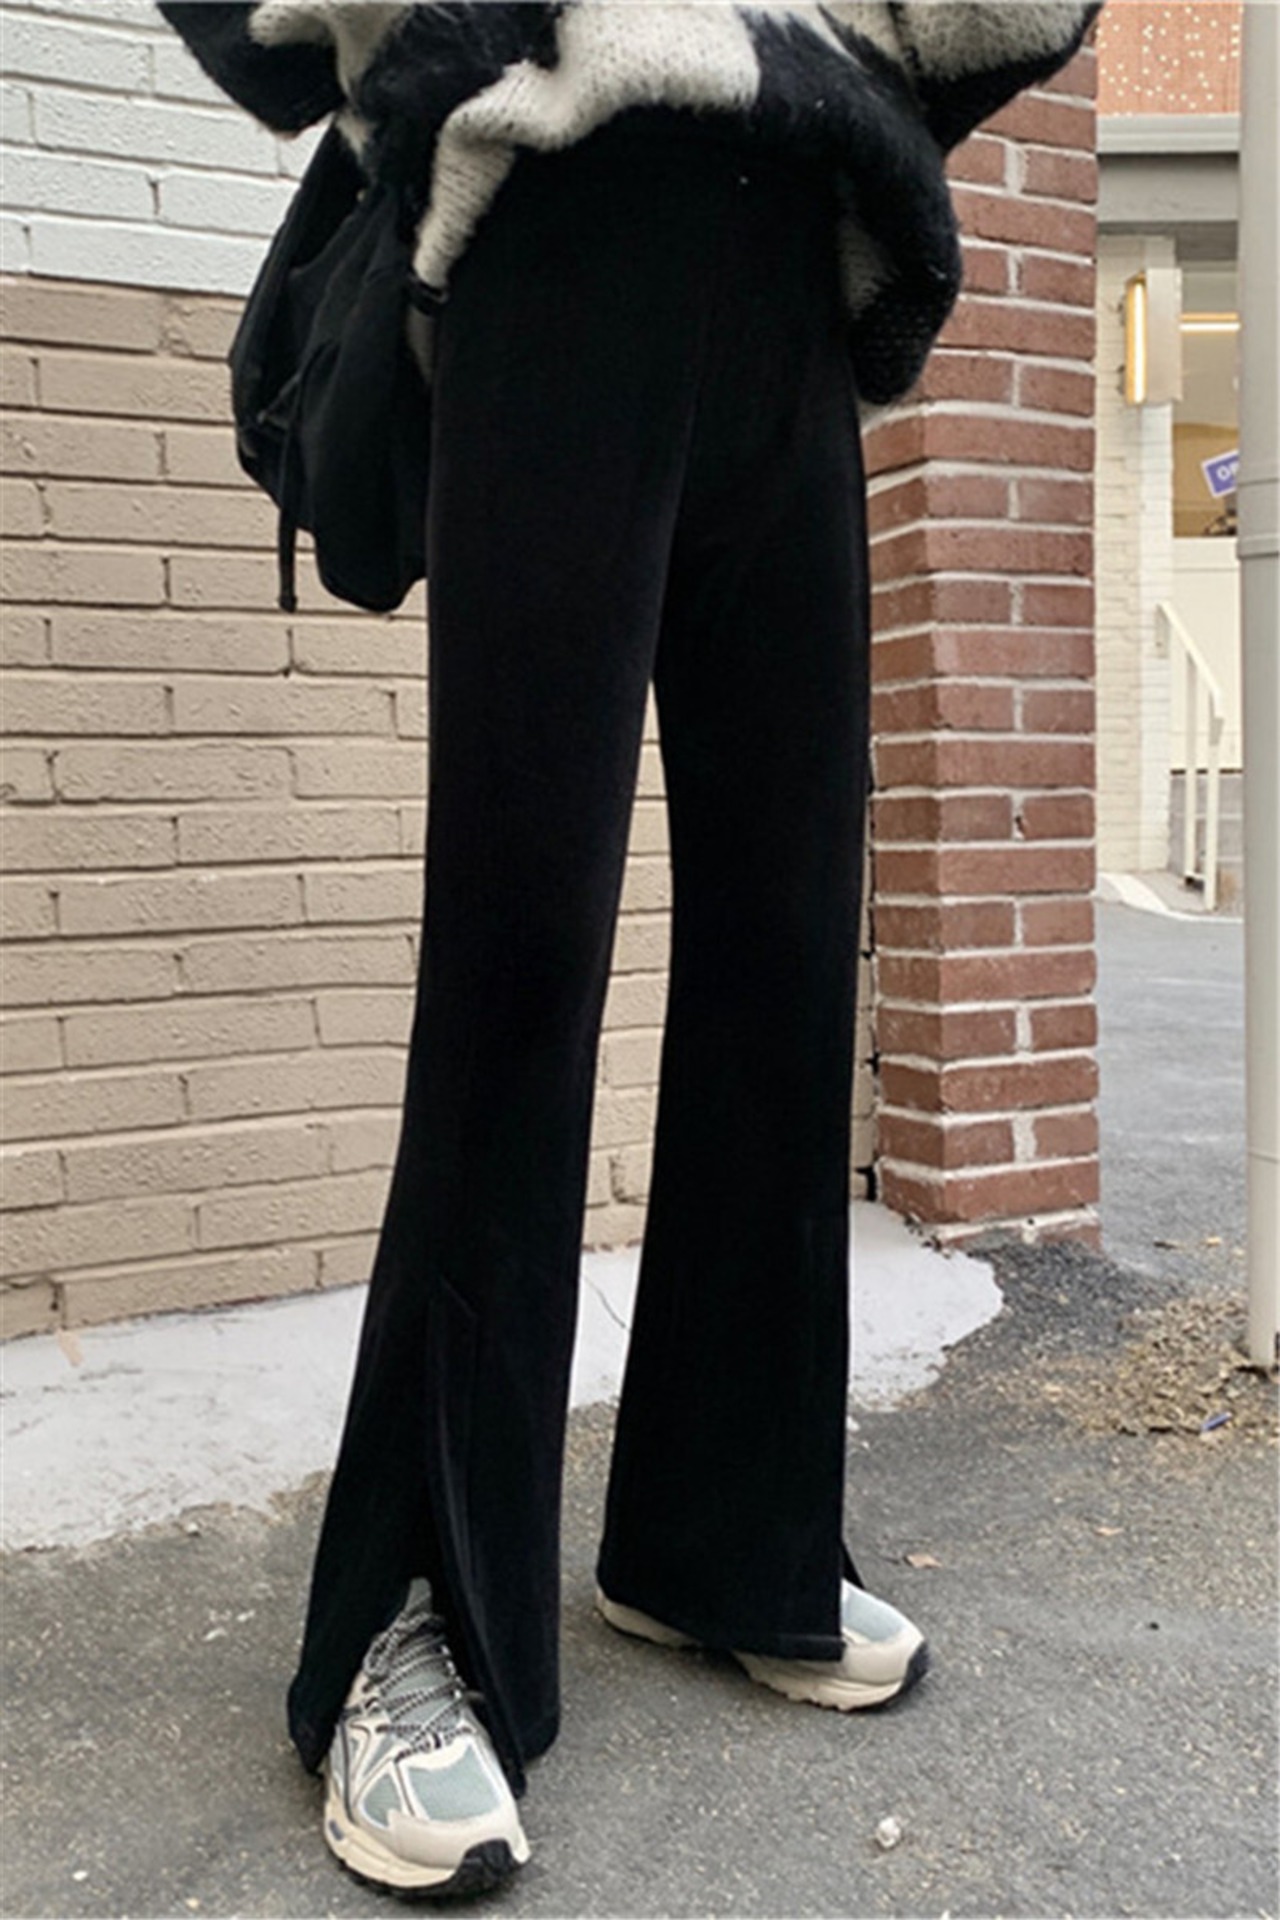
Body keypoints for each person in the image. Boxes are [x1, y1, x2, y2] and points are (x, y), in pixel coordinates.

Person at [159, 1, 1101, 1899]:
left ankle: (725, 1544)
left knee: (787, 955)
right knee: (520, 956)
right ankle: (413, 1620)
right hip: (564, 228)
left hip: (800, 261)